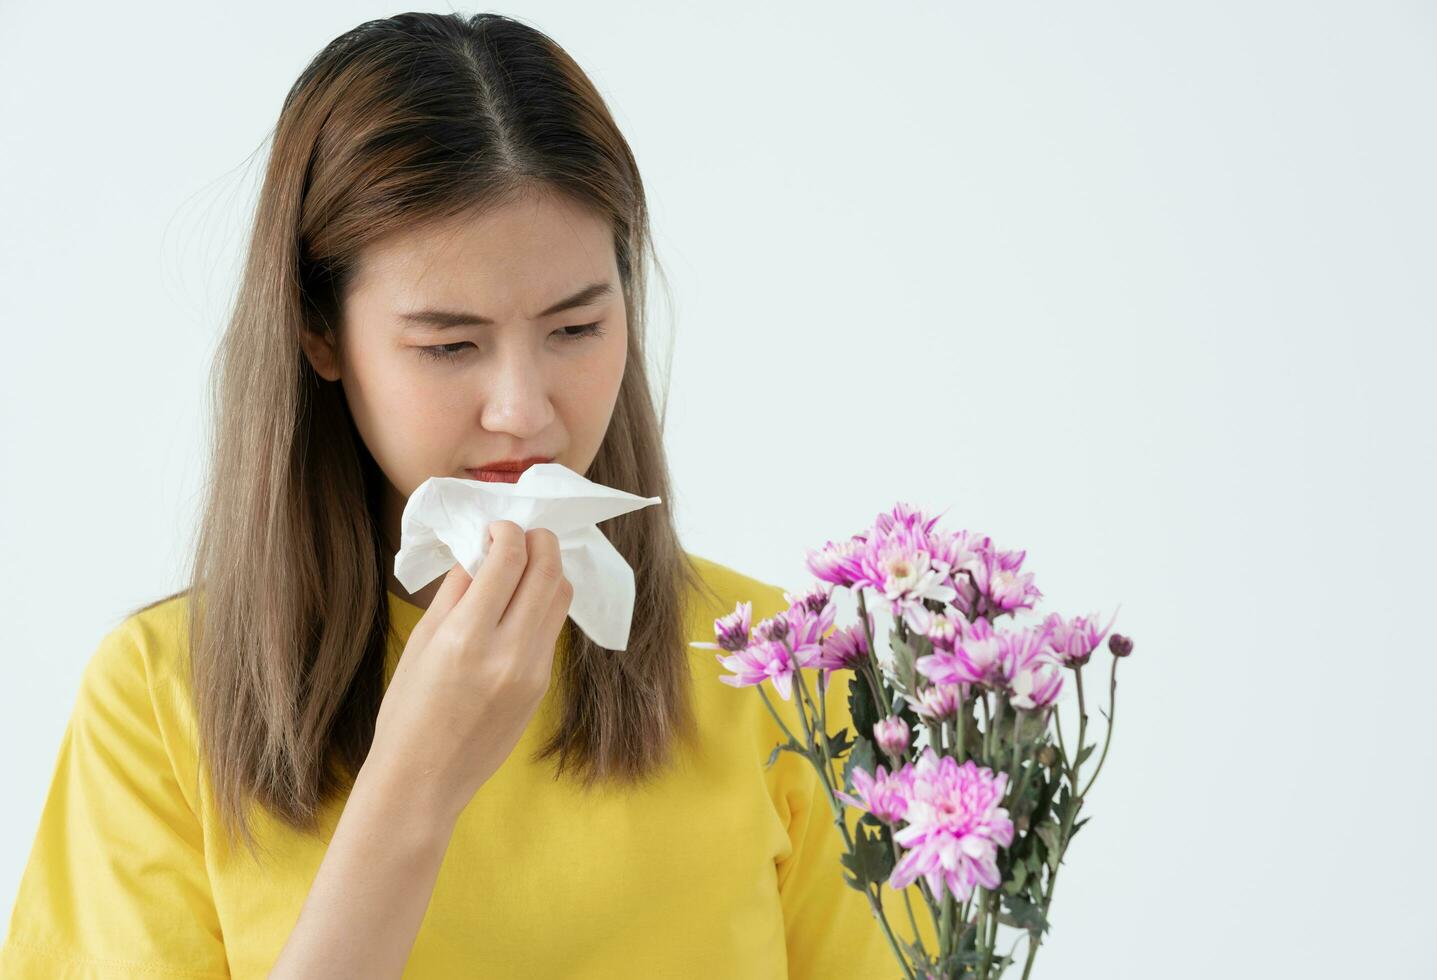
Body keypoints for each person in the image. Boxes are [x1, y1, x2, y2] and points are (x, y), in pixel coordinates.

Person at [0, 11, 937, 979]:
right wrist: (414, 787)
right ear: (319, 333)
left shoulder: (786, 666)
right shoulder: (158, 698)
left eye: (575, 328)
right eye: (449, 345)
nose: (524, 413)